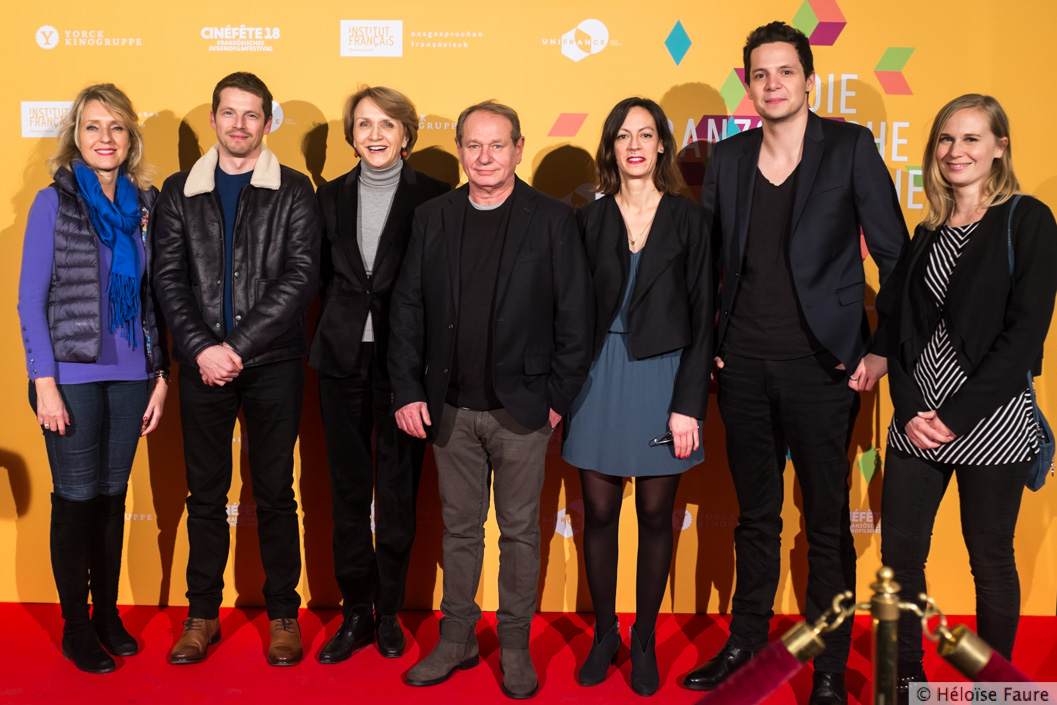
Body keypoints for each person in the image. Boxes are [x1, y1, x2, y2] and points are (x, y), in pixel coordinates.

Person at [683, 22, 909, 703]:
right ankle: (745, 641)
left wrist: (881, 347)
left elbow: (896, 256)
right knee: (755, 516)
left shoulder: (849, 146)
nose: (773, 83)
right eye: (760, 74)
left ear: (808, 80)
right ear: (748, 86)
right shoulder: (728, 159)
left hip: (823, 366)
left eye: (785, 71)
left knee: (826, 523)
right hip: (743, 366)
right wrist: (711, 346)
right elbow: (707, 265)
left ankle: (829, 665)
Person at [388, 100, 593, 699]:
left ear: (518, 149)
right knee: (459, 531)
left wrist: (556, 399)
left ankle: (515, 644)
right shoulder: (433, 217)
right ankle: (455, 638)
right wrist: (408, 388)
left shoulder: (552, 218)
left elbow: (575, 316)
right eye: (473, 145)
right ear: (459, 150)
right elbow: (407, 308)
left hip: (523, 409)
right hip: (448, 408)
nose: (484, 157)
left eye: (497, 145)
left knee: (520, 533)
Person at [881, 94, 1057, 699]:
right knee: (900, 560)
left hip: (992, 419)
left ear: (1000, 148)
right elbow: (898, 333)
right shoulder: (926, 231)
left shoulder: (1026, 220)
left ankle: (992, 687)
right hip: (917, 423)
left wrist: (954, 416)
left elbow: (1025, 336)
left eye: (972, 139)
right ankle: (906, 680)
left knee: (990, 560)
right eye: (946, 139)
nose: (956, 151)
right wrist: (911, 411)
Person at [152, 72, 319, 667]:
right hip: (201, 365)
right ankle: (201, 615)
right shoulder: (178, 191)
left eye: (252, 114)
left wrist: (237, 347)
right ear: (214, 119)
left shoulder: (294, 189)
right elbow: (168, 278)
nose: (239, 125)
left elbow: (301, 277)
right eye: (229, 113)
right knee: (205, 494)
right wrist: (202, 348)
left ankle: (282, 615)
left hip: (273, 363)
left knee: (275, 492)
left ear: (268, 122)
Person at [18, 83, 169, 674]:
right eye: (92, 127)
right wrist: (44, 383)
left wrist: (159, 374)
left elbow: (155, 298)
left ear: (130, 137)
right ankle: (76, 628)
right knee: (76, 501)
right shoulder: (52, 202)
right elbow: (31, 301)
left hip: (132, 375)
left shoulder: (146, 205)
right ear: (75, 137)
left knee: (111, 499)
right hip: (71, 379)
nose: (105, 138)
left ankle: (107, 616)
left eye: (116, 127)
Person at [562, 97, 711, 696]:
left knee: (654, 515)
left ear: (661, 146)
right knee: (598, 513)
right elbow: (569, 313)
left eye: (645, 134)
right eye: (623, 135)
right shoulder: (588, 220)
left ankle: (644, 639)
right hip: (597, 377)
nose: (634, 146)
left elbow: (704, 317)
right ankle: (606, 635)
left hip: (663, 378)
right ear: (610, 147)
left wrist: (689, 404)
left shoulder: (690, 220)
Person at [310, 85, 449, 663]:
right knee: (347, 493)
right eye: (364, 124)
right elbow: (316, 278)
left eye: (387, 124)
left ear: (406, 135)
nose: (375, 135)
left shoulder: (436, 196)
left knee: (397, 492)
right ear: (351, 135)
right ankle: (356, 612)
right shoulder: (327, 197)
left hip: (405, 366)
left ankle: (389, 611)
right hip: (340, 360)